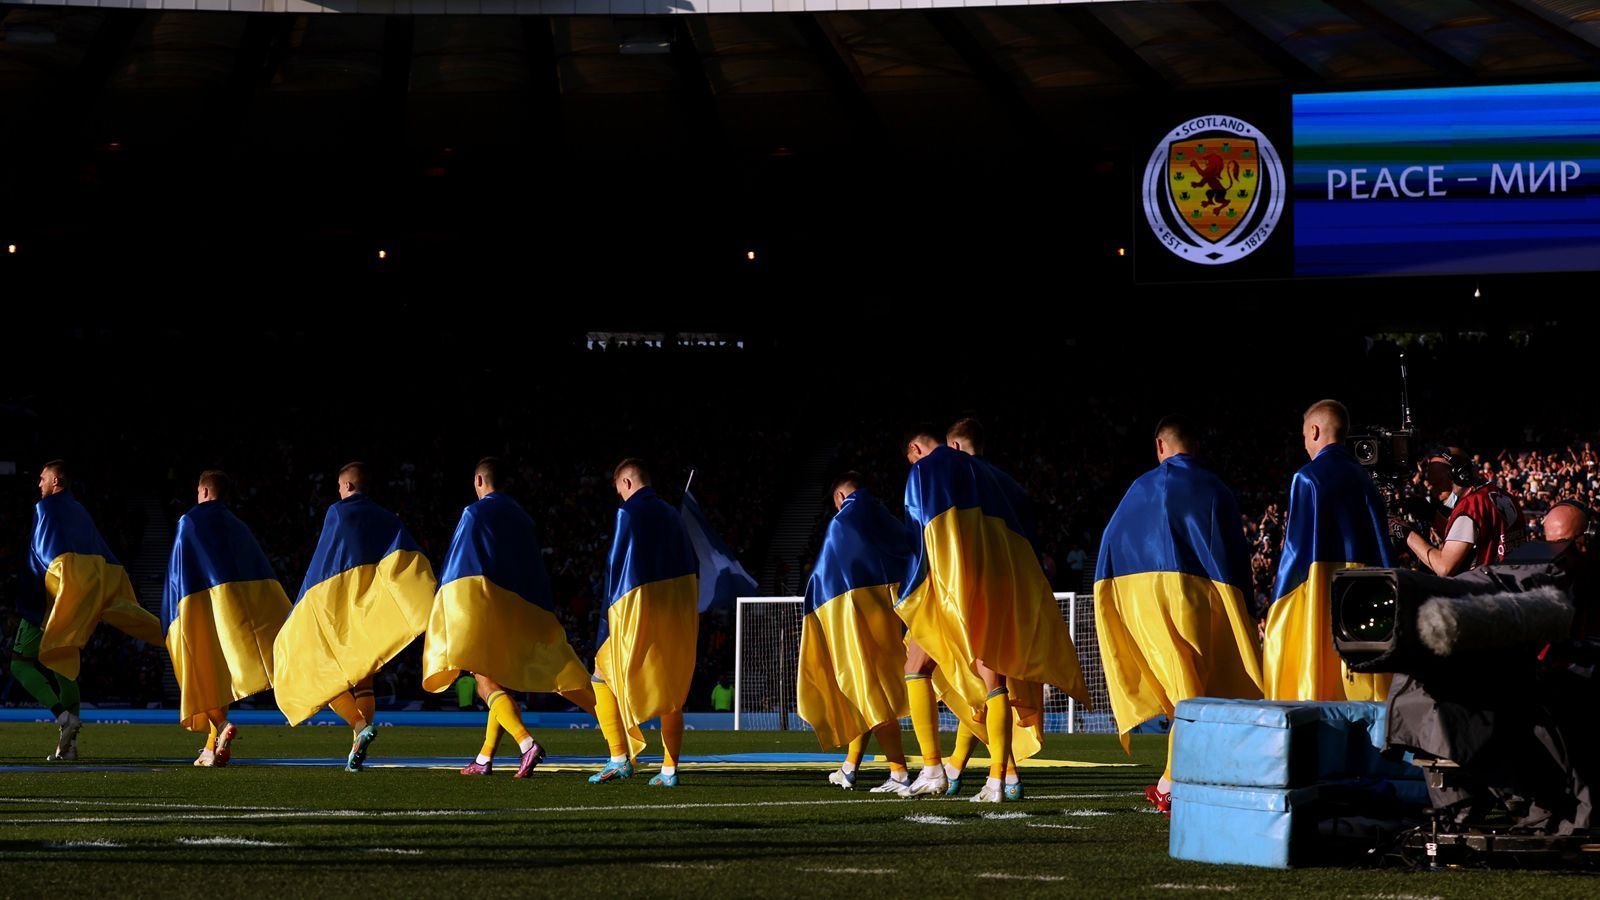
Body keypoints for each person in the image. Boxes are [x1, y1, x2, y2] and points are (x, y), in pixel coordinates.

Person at [163, 469, 292, 767]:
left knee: (200, 673)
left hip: (200, 608)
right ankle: (211, 748)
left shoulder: (189, 520)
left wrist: (171, 613)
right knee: (220, 675)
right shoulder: (238, 526)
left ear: (205, 492)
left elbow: (179, 572)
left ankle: (221, 727)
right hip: (234, 613)